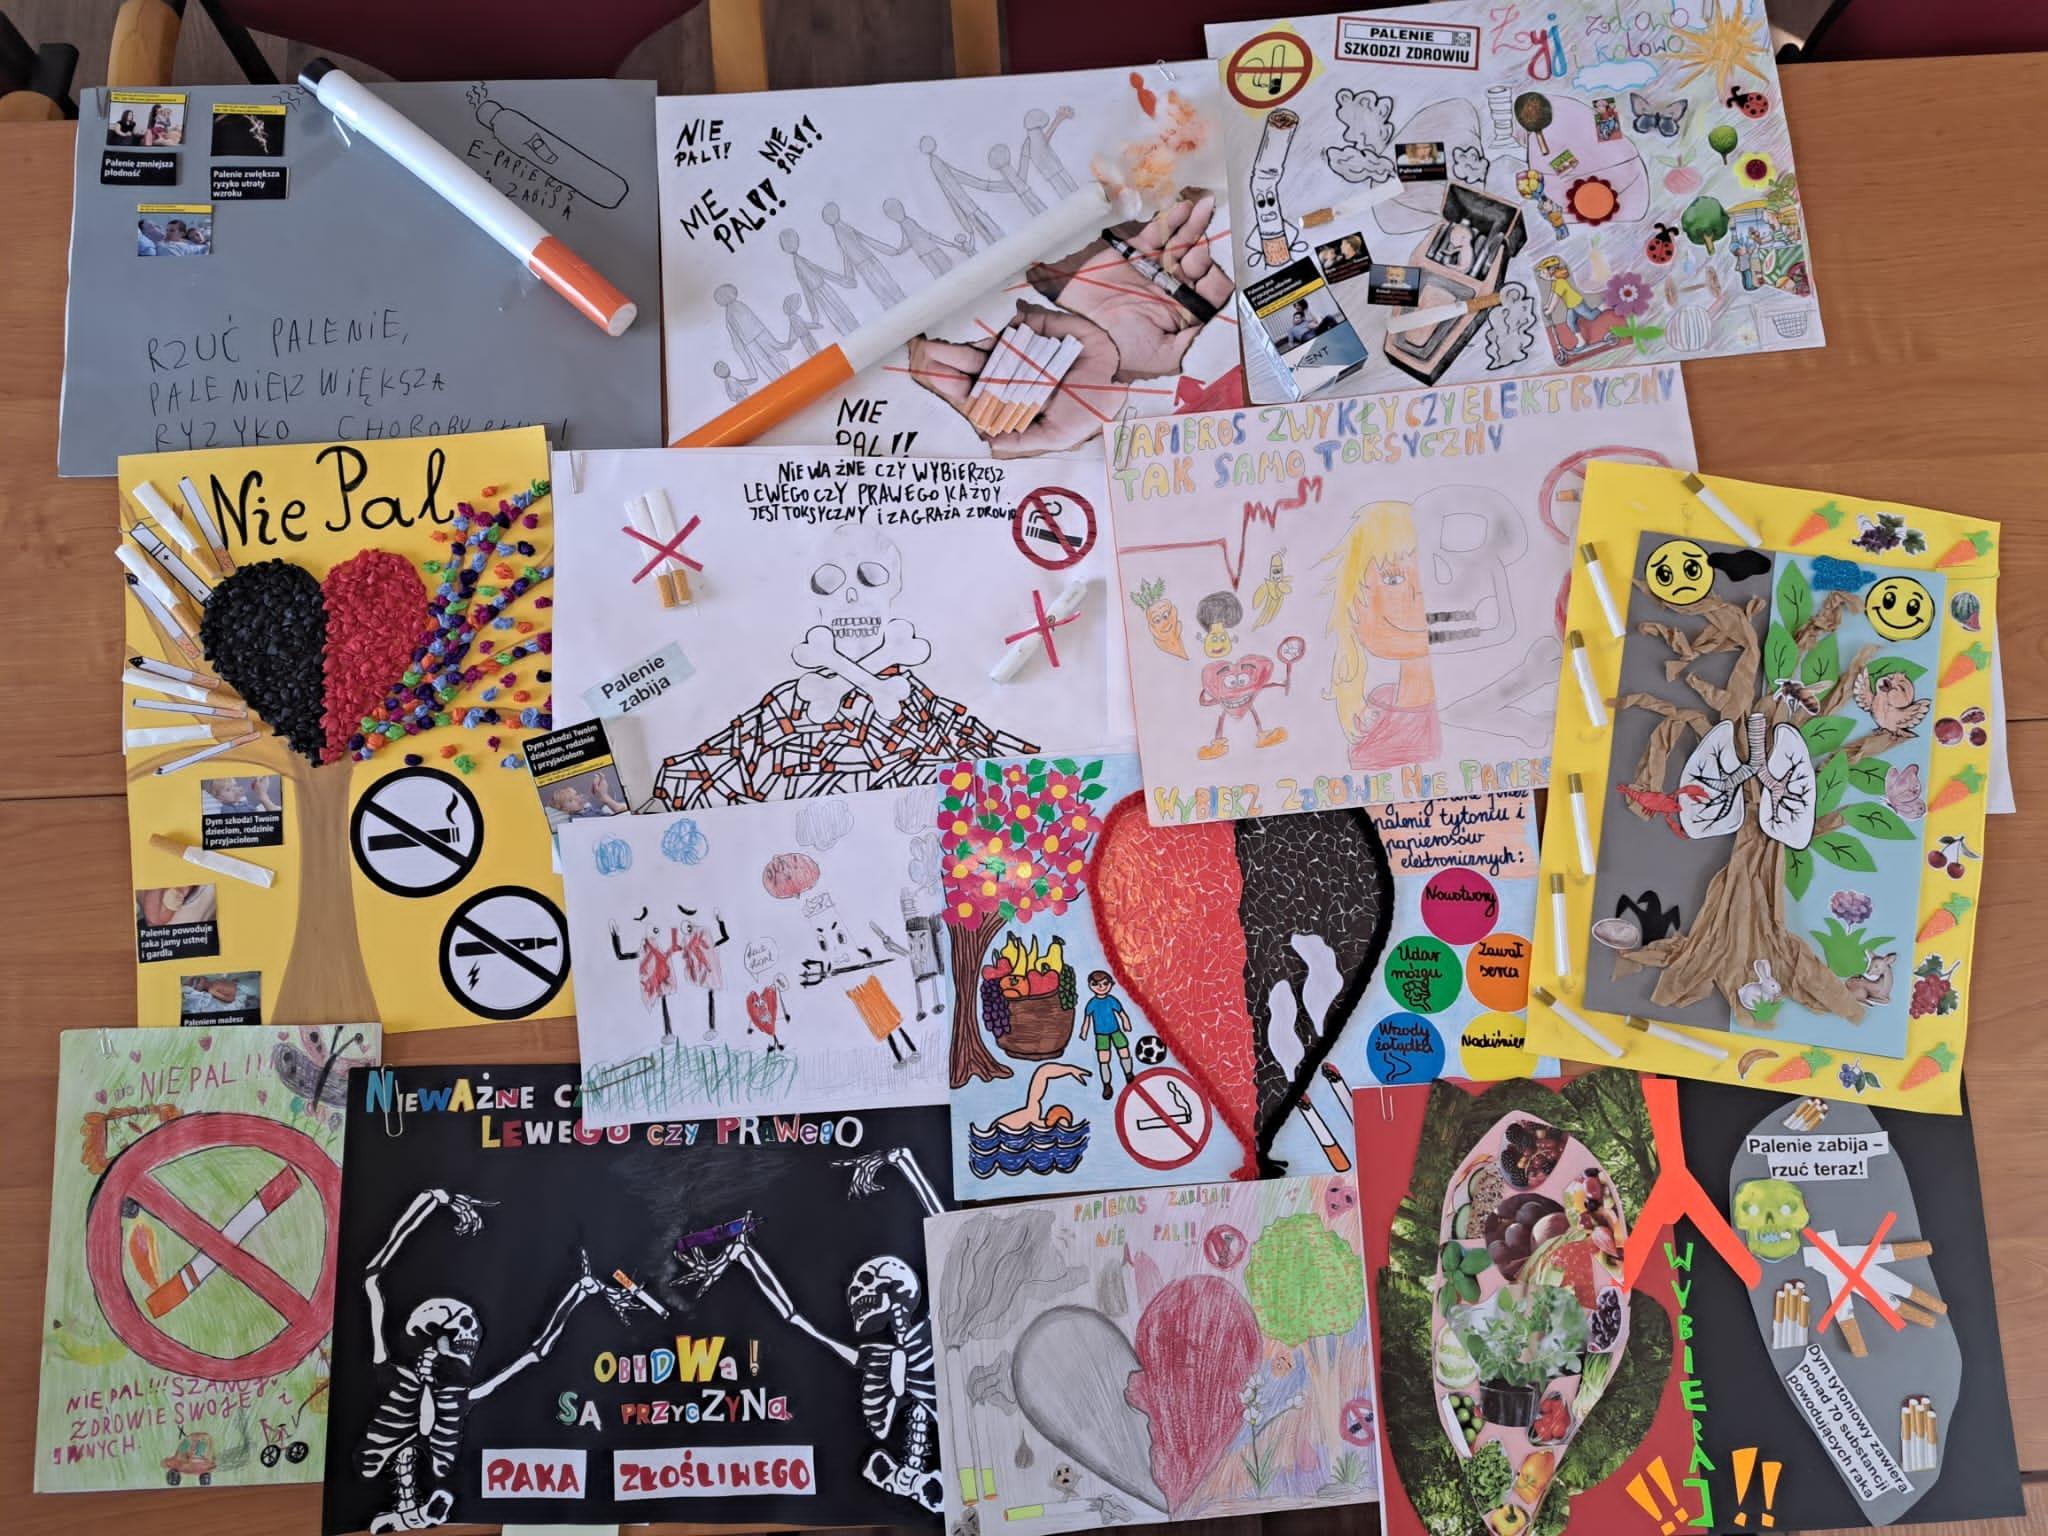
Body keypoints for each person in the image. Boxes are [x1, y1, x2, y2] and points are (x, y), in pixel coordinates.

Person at [1319, 499, 1441, 769]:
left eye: (1429, 573)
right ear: (1354, 600)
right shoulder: (1378, 709)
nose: (1417, 593)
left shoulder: (1448, 722)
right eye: (1393, 579)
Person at [1077, 970, 1135, 1100]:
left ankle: (1128, 1073)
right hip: (1101, 1035)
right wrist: (1084, 1032)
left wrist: (1126, 1023)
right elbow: (1087, 1019)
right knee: (1104, 1060)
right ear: (1090, 986)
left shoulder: (1111, 1000)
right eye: (1096, 984)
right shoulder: (1092, 1004)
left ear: (1110, 984)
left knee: (1124, 1052)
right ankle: (1107, 1085)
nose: (1101, 987)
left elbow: (1121, 1013)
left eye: (1105, 983)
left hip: (1116, 1031)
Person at [1534, 255, 1600, 344]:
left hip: (1577, 303)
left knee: (1591, 316)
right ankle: (1581, 341)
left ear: (1551, 270)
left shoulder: (1560, 282)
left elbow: (1556, 298)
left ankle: (1601, 308)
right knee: (1570, 323)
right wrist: (1547, 305)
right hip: (1570, 306)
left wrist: (1550, 310)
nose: (1541, 275)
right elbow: (1552, 294)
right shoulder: (1554, 282)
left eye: (1543, 272)